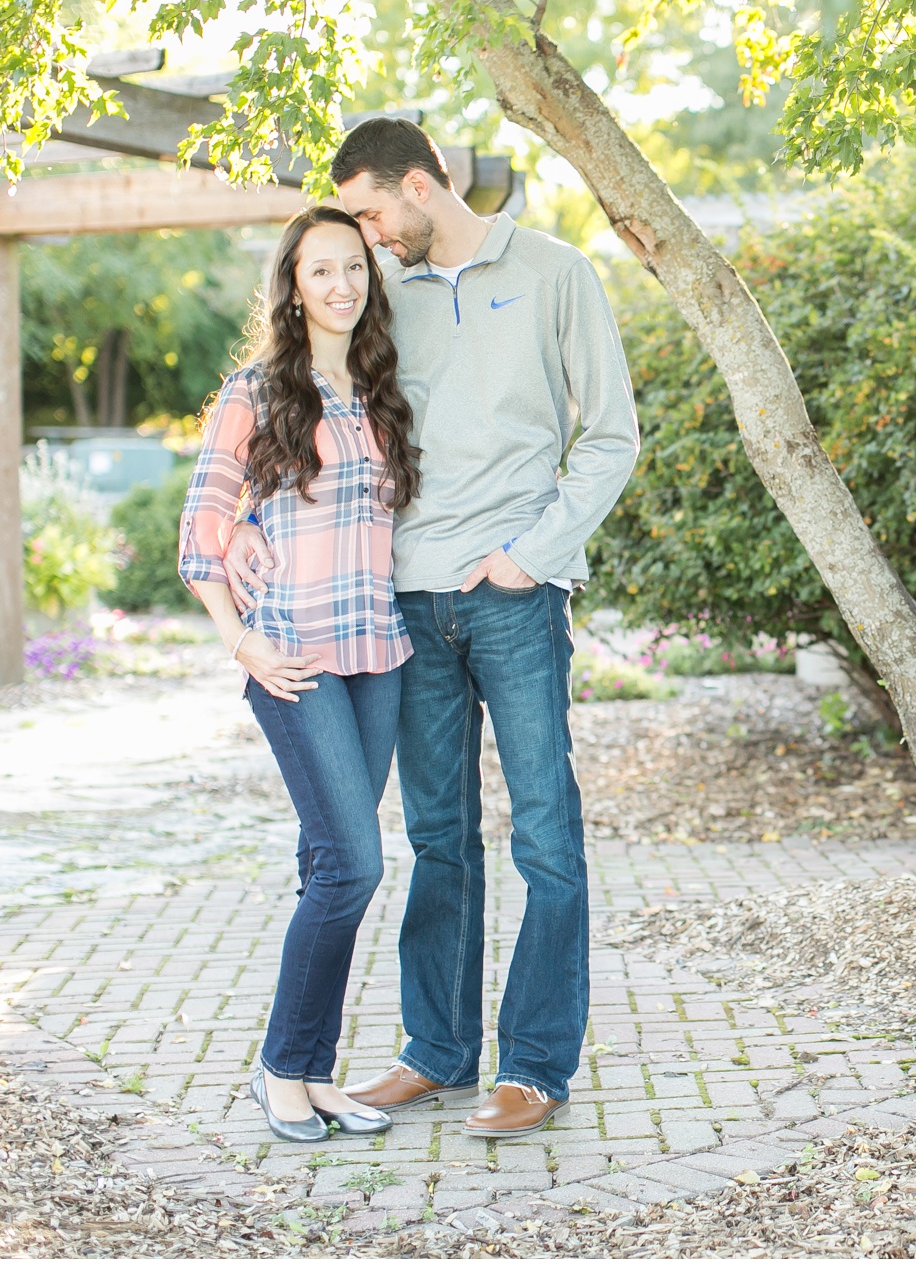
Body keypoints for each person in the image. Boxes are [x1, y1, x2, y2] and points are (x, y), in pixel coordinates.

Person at [226, 118, 640, 1138]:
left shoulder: (554, 273)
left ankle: (535, 1065)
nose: (361, 240)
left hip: (514, 595)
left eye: (369, 212)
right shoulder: (381, 301)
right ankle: (437, 1051)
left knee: (545, 832)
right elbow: (298, 412)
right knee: (435, 839)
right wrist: (238, 523)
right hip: (401, 606)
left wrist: (530, 553)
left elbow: (611, 435)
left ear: (420, 186)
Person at [178, 205, 423, 1142]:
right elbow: (201, 532)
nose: (341, 286)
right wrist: (240, 640)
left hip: (378, 657)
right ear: (291, 285)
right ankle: (281, 1066)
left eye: (355, 268)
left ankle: (316, 1075)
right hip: (295, 660)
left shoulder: (380, 390)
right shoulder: (255, 391)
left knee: (329, 863)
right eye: (321, 270)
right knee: (355, 867)